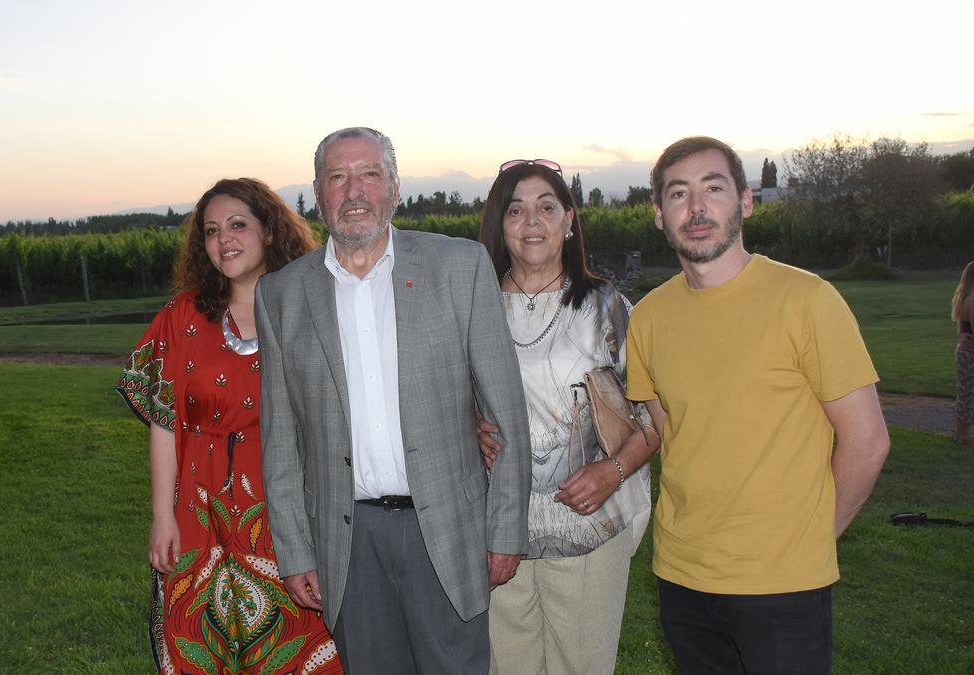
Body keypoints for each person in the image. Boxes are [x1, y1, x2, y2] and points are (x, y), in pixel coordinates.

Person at [254, 127, 531, 674]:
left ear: (395, 187)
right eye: (338, 177)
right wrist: (296, 550)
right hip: (348, 542)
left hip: (448, 533)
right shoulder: (281, 295)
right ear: (318, 191)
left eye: (370, 175)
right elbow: (281, 442)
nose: (354, 191)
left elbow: (507, 413)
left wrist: (505, 531)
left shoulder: (458, 267)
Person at [626, 136, 891, 673]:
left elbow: (867, 442)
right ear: (658, 215)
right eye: (678, 194)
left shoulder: (808, 301)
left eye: (713, 188)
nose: (696, 208)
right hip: (682, 573)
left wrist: (812, 539)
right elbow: (671, 432)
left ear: (744, 201)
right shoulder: (649, 318)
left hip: (782, 582)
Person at [115, 178, 342, 674]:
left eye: (238, 224)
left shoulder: (311, 310)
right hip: (197, 512)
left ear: (270, 231)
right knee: (198, 640)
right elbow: (161, 423)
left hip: (286, 511)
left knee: (299, 643)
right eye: (212, 231)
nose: (225, 240)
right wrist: (162, 517)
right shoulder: (182, 317)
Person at [475, 159, 661, 674]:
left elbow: (656, 417)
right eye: (516, 209)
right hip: (496, 527)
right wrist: (468, 423)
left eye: (546, 207)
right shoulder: (474, 305)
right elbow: (439, 397)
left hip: (587, 525)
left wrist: (613, 471)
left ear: (570, 219)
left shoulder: (609, 308)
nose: (531, 221)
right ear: (500, 222)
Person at [954, 261, 974, 445]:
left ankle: (961, 433)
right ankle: (965, 435)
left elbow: (961, 331)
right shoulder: (972, 300)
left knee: (965, 393)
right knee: (968, 395)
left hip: (962, 352)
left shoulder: (962, 298)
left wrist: (961, 338)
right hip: (970, 354)